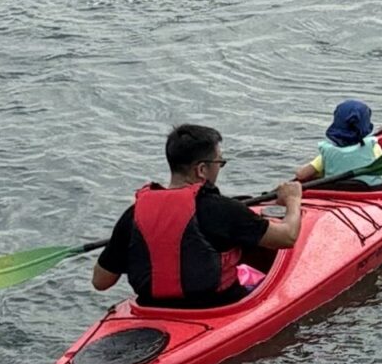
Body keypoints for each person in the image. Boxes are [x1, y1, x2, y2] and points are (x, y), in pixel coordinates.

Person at [93, 123, 301, 308]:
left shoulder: (134, 214)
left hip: (150, 308)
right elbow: (287, 236)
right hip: (217, 308)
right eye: (219, 163)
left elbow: (101, 282)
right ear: (202, 169)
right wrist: (292, 200)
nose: (219, 168)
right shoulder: (223, 210)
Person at [294, 99, 382, 187]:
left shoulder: (328, 152)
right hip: (370, 192)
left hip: (335, 192)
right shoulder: (373, 147)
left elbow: (301, 175)